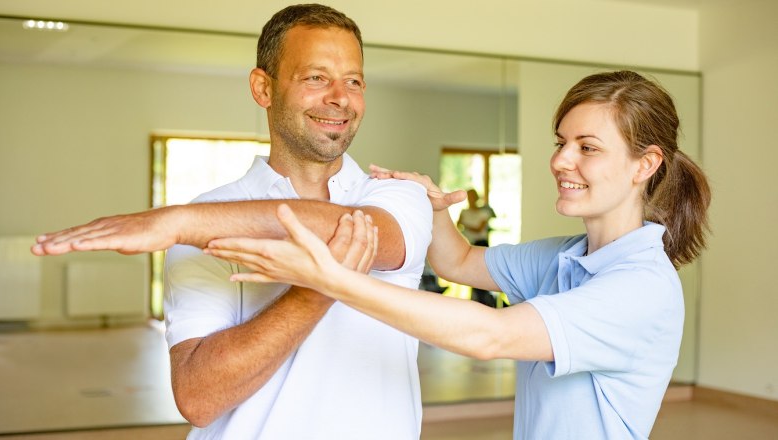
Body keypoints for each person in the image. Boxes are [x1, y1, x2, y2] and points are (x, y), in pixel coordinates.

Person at [201, 70, 712, 440]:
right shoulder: (566, 257)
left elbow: (489, 335)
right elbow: (460, 264)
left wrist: (331, 278)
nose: (560, 160)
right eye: (561, 142)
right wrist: (434, 209)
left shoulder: (639, 286)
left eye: (587, 147)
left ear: (646, 164)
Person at [32, 4, 431, 439]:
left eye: (353, 81)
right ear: (263, 88)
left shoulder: (396, 197)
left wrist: (182, 222)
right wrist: (316, 290)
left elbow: (363, 232)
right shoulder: (208, 214)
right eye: (316, 78)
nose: (340, 97)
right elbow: (199, 399)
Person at [457, 189, 496, 306]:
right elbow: (458, 225)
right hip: (469, 244)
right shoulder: (464, 212)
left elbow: (479, 229)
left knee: (482, 274)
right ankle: (475, 300)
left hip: (481, 244)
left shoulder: (484, 212)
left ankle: (484, 300)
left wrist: (466, 225)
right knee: (470, 274)